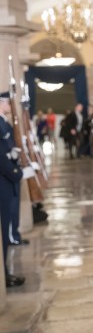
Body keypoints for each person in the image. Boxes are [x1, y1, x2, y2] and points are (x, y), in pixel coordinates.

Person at [0, 91, 27, 287]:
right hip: (4, 179)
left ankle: (6, 272)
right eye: (7, 102)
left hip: (7, 178)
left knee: (8, 220)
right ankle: (4, 274)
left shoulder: (4, 122)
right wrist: (16, 173)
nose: (10, 105)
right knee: (4, 225)